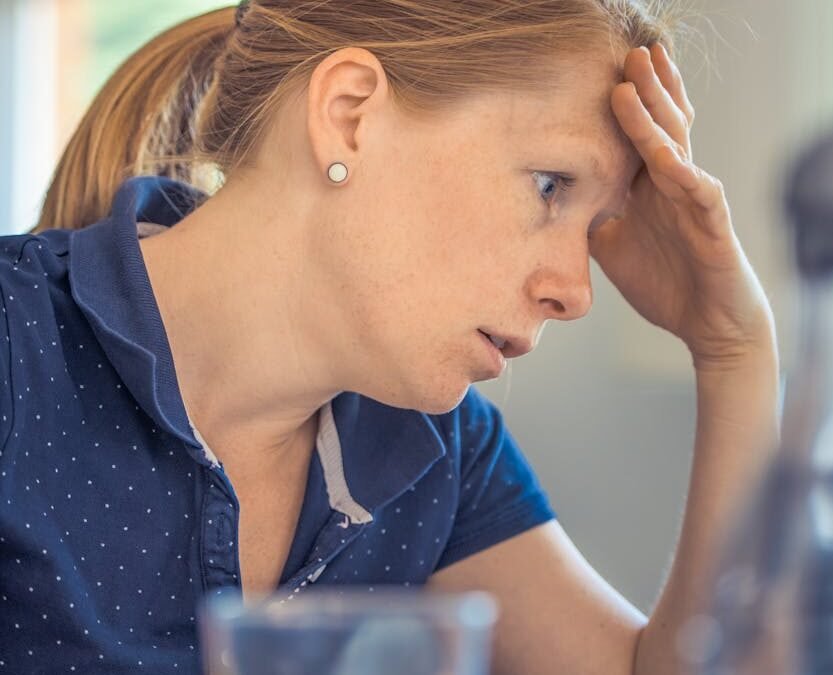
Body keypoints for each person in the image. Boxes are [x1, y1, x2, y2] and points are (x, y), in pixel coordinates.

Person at [0, 0, 781, 673]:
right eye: (550, 186)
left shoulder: (436, 450)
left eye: (598, 226)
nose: (575, 293)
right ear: (349, 114)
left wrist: (734, 349)